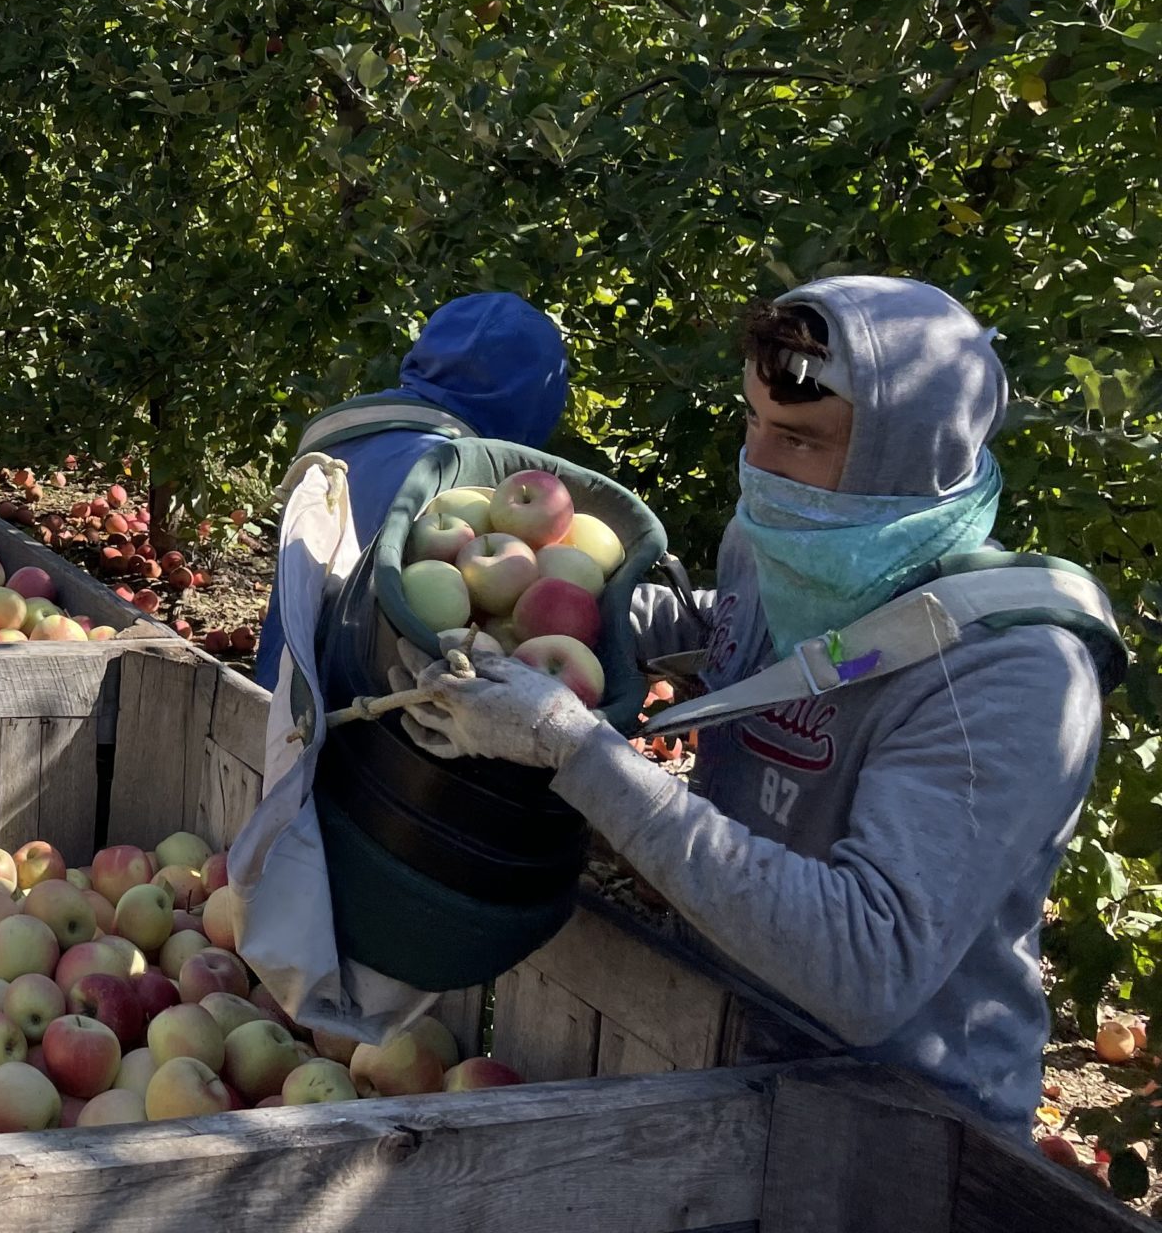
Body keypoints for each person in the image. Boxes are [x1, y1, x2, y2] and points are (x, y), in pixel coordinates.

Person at [412, 276, 1109, 1136]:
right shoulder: (778, 543)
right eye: (753, 421)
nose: (761, 464)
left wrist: (573, 748)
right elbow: (738, 637)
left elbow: (868, 965)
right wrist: (557, 602)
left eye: (801, 439)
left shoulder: (1009, 672)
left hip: (900, 1138)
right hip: (727, 1061)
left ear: (908, 454)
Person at [255, 292, 569, 687]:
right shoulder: (463, 485)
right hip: (364, 721)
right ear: (536, 403)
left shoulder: (341, 430)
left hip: (280, 693)